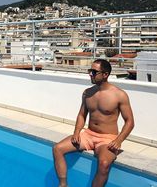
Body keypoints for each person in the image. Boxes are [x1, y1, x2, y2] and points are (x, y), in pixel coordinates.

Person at [53, 59, 134, 187]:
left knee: (104, 164)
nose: (90, 74)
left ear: (105, 74)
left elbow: (129, 121)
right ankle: (63, 184)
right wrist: (77, 132)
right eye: (90, 71)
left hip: (107, 138)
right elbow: (82, 115)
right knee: (57, 148)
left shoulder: (119, 95)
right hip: (88, 135)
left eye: (94, 72)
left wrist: (119, 140)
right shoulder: (88, 93)